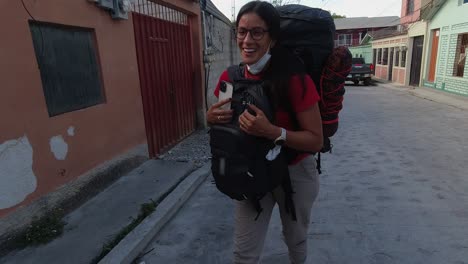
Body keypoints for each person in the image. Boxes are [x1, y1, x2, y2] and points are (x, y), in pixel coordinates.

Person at [206, 1, 323, 263]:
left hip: (295, 172)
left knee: (296, 238)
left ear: (272, 37)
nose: (247, 40)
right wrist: (210, 118)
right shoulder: (230, 77)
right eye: (241, 31)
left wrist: (273, 132)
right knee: (243, 252)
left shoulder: (294, 79)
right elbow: (222, 121)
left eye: (257, 32)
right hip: (249, 169)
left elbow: (316, 140)